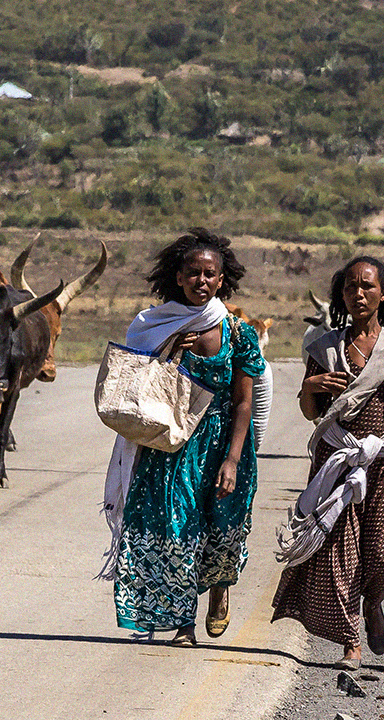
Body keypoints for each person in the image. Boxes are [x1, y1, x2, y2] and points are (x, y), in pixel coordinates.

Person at [271, 256, 384, 669]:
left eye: (367, 286)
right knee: (340, 554)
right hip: (340, 458)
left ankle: (374, 603)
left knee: (381, 554)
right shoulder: (324, 348)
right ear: (341, 295)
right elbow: (311, 412)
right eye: (350, 286)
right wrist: (309, 386)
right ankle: (351, 642)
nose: (359, 293)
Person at [99, 229, 266, 646]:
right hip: (172, 446)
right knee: (177, 529)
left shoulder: (238, 332)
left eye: (211, 274)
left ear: (222, 279)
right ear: (178, 276)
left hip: (225, 445)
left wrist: (232, 459)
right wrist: (169, 349)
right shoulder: (154, 325)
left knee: (222, 529)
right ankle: (183, 624)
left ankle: (220, 591)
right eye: (193, 273)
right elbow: (139, 381)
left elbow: (244, 402)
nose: (202, 281)